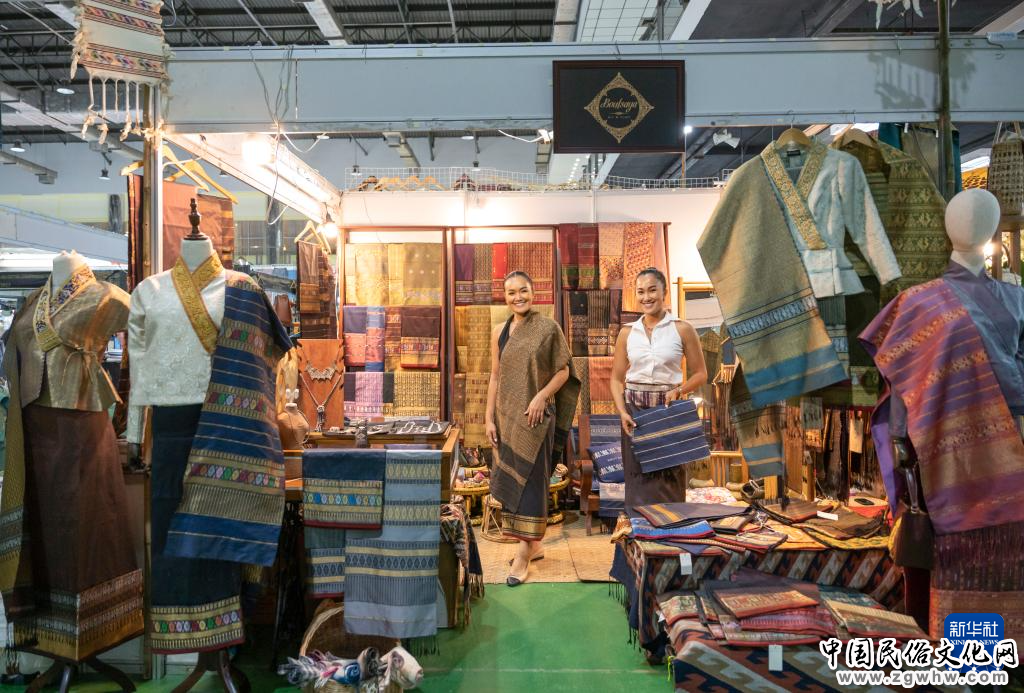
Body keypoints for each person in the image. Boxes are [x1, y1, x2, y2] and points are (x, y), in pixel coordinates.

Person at [486, 271, 579, 586]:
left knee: (532, 485)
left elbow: (564, 372)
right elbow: (495, 376)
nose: (518, 297)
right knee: (512, 483)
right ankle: (534, 547)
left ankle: (523, 554)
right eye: (511, 292)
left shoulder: (548, 328)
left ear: (533, 292)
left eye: (523, 290)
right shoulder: (499, 332)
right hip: (507, 419)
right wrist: (488, 418)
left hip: (536, 420)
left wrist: (541, 396)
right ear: (505, 297)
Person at [611, 267, 708, 511]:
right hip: (634, 414)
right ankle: (640, 529)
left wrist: (680, 390)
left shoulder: (682, 329)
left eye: (652, 290)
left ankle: (672, 530)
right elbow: (616, 379)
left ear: (664, 292)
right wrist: (622, 412)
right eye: (641, 292)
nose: (646, 297)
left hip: (668, 411)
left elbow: (701, 374)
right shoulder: (627, 333)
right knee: (637, 479)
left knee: (669, 477)